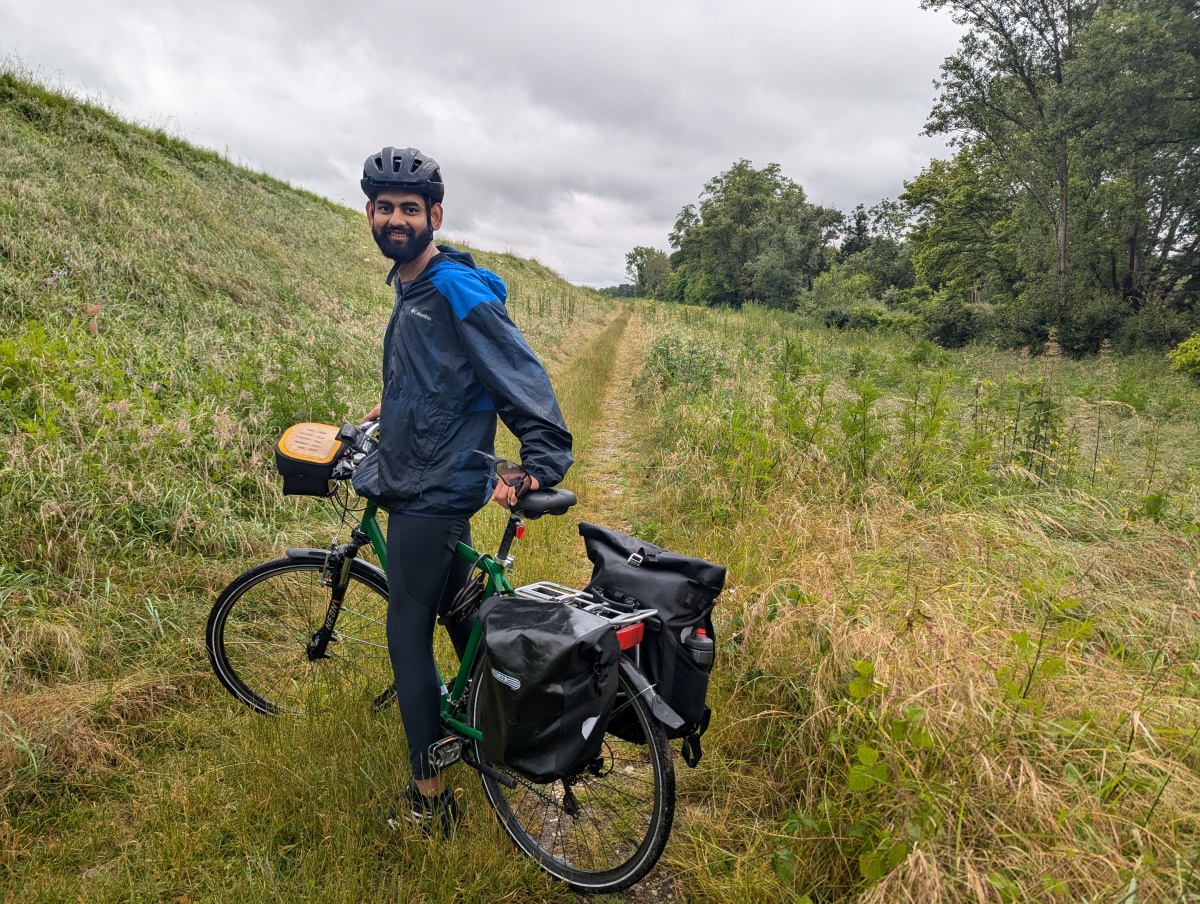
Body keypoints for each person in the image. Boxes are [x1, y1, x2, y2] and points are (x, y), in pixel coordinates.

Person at [351, 146, 573, 834]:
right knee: (463, 616)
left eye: (408, 209)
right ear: (370, 213)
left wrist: (542, 455)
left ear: (434, 216)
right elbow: (446, 371)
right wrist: (395, 407)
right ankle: (517, 737)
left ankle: (430, 801)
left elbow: (516, 370)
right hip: (425, 467)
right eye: (384, 207)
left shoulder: (454, 286)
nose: (395, 218)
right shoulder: (411, 284)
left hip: (433, 488)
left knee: (406, 636)